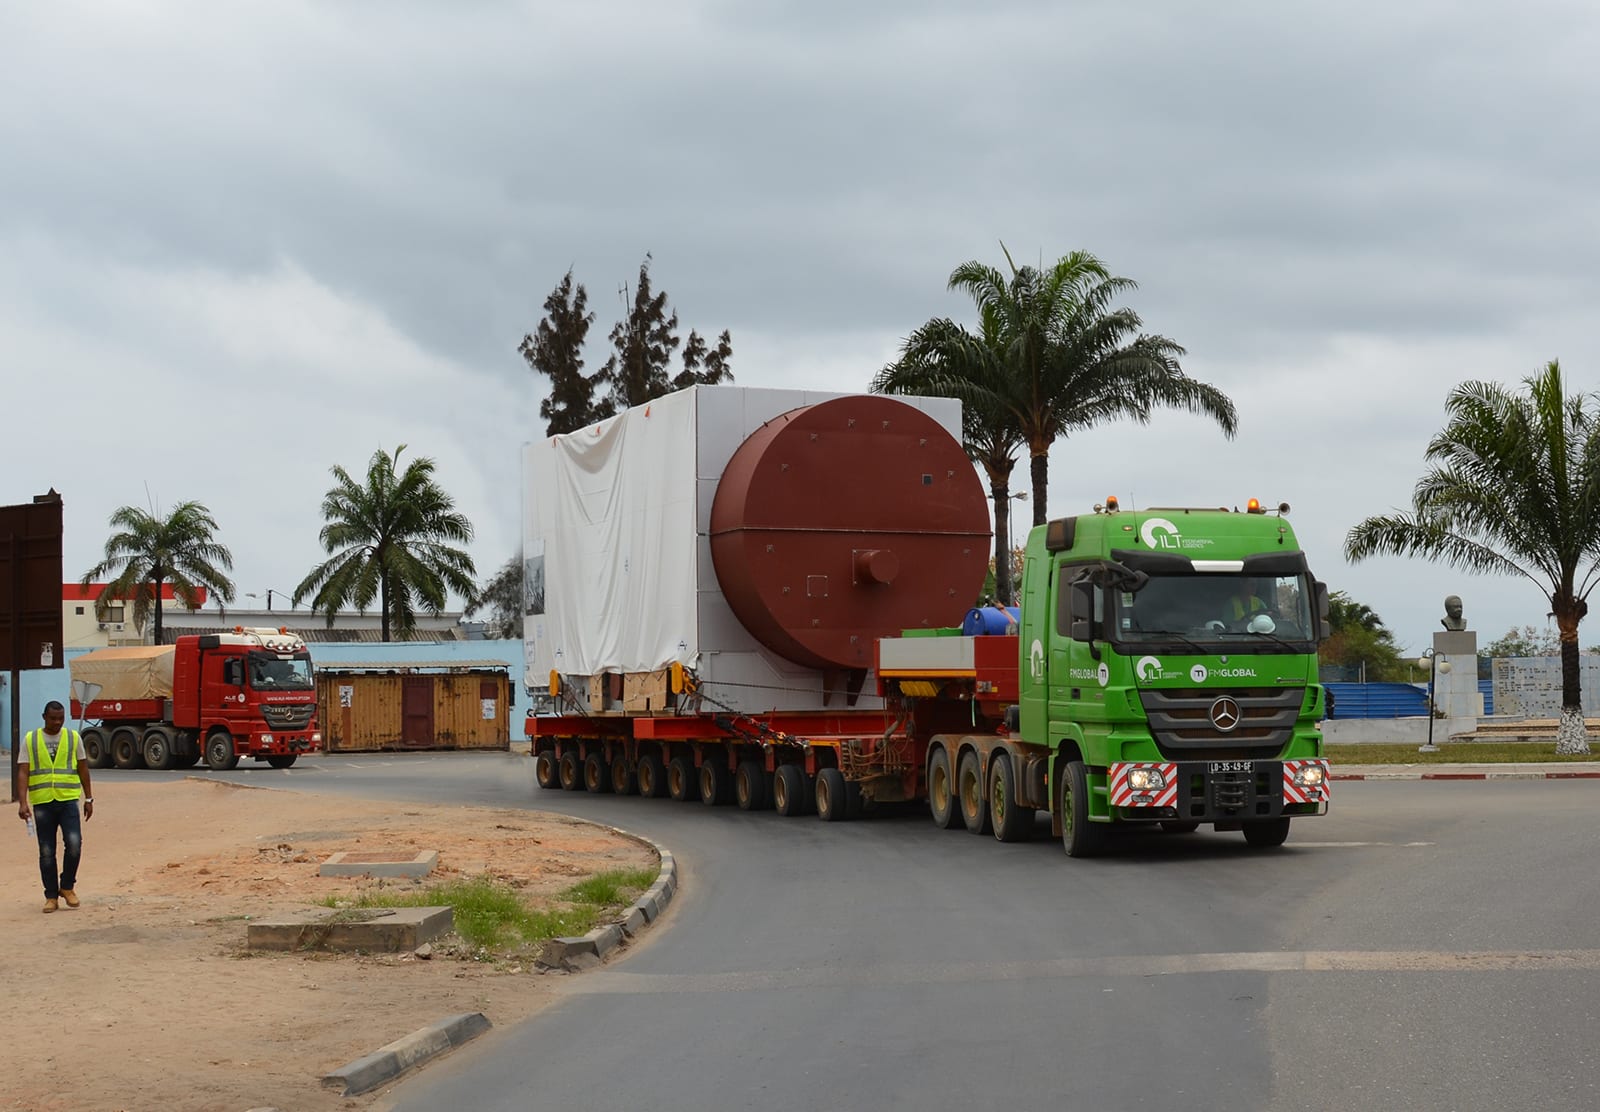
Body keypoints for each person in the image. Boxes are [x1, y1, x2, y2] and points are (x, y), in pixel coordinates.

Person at [15, 700, 94, 913]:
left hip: (68, 800)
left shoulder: (72, 737)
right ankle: (51, 896)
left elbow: (83, 768)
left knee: (74, 844)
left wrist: (89, 798)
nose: (57, 722)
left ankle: (67, 887)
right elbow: (23, 771)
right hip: (42, 803)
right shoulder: (31, 740)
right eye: (53, 718)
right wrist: (23, 802)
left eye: (61, 718)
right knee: (47, 851)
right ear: (44, 717)